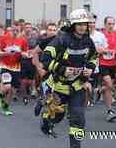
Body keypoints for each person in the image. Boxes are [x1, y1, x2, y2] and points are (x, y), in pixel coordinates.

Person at [40, 9, 97, 148]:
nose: (83, 27)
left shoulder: (88, 41)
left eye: (85, 24)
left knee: (78, 117)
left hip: (77, 86)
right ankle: (46, 119)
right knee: (57, 116)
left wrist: (90, 67)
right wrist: (62, 69)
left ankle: (75, 146)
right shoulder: (61, 39)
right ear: (73, 25)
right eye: (79, 24)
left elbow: (94, 57)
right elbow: (45, 59)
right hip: (59, 86)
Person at [0, 22, 29, 115]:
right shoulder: (4, 38)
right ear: (10, 29)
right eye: (13, 30)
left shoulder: (23, 40)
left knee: (12, 91)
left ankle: (5, 107)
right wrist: (6, 53)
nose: (15, 32)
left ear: (20, 30)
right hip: (5, 65)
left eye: (17, 31)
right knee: (7, 86)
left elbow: (27, 53)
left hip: (16, 67)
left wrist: (23, 54)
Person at [99, 16, 116, 122]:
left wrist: (115, 51)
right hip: (103, 62)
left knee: (107, 88)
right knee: (109, 84)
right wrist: (104, 51)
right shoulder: (101, 35)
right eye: (109, 24)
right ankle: (102, 90)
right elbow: (96, 47)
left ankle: (110, 111)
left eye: (113, 24)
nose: (111, 26)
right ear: (105, 24)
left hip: (113, 63)